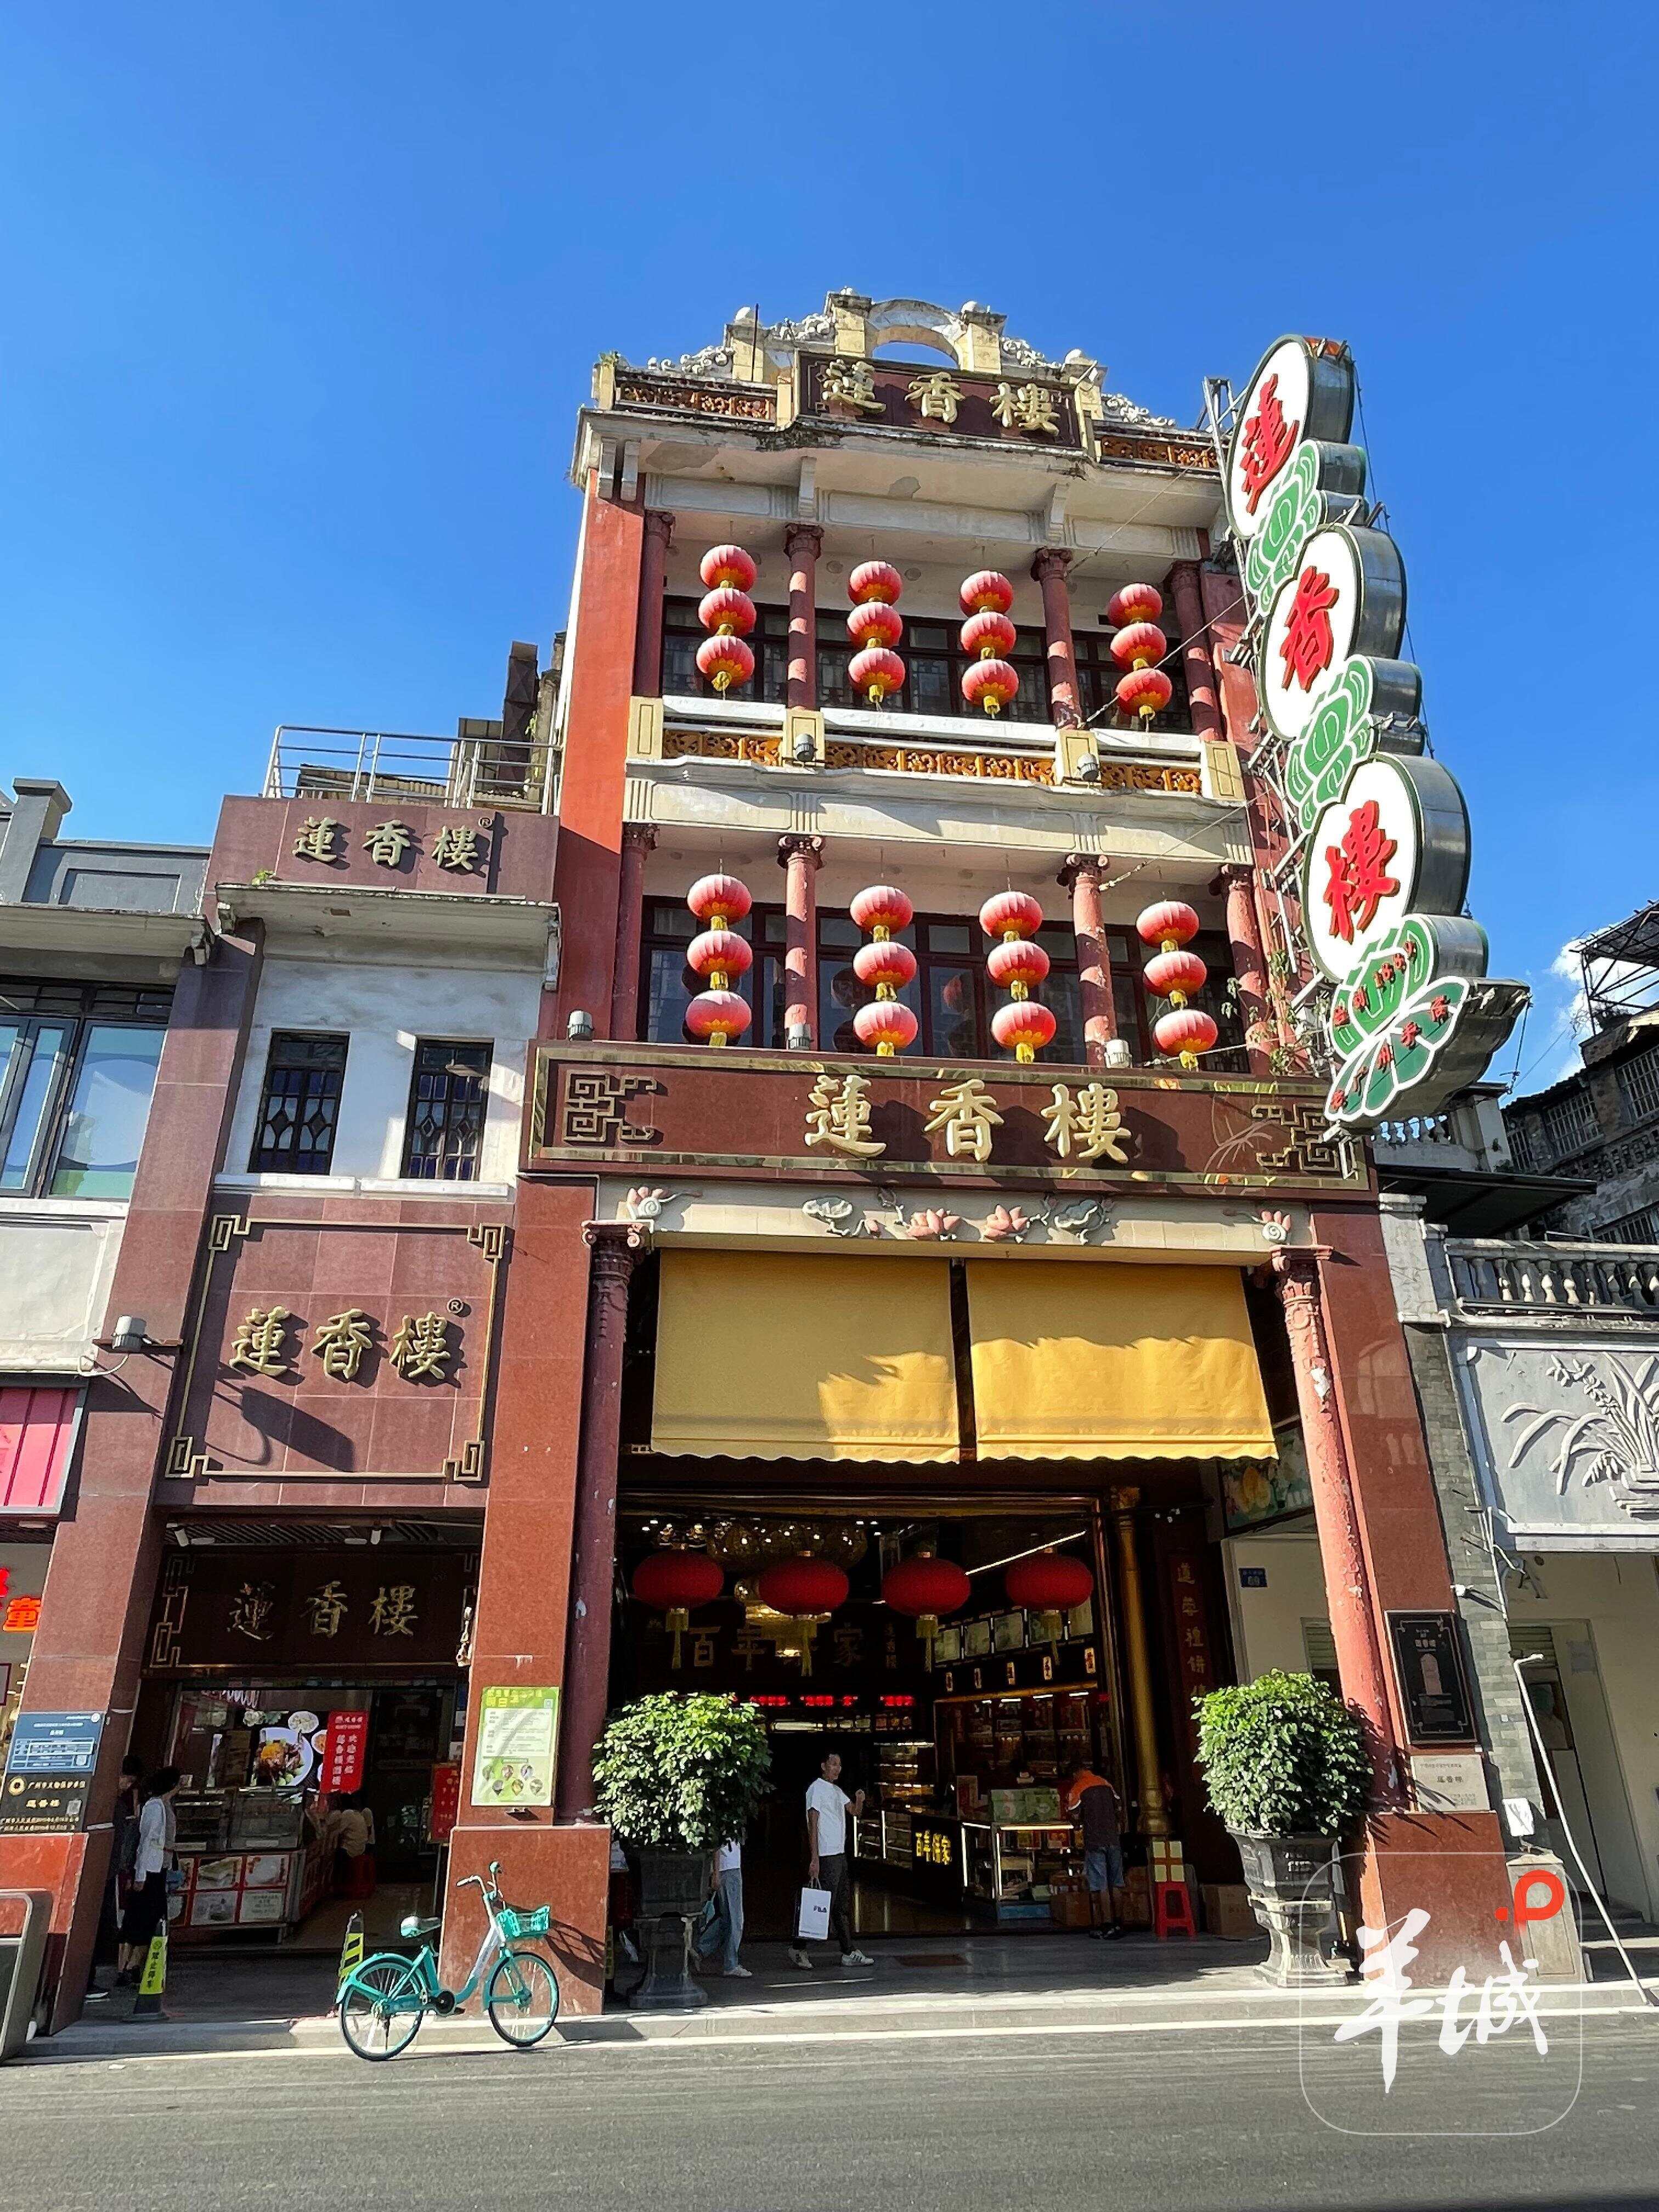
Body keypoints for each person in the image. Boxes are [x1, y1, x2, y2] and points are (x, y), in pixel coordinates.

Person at [789, 1751, 873, 1971]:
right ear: (823, 1766)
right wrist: (814, 1858)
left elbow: (854, 1812)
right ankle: (798, 1946)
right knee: (822, 1903)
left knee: (840, 1905)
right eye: (833, 1764)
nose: (837, 1769)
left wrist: (860, 1800)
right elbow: (813, 1822)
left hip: (839, 1854)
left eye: (840, 1765)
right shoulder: (816, 1789)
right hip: (826, 1855)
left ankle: (848, 1951)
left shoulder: (837, 1791)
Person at [117, 1767, 182, 1985]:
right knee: (145, 1919)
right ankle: (130, 1967)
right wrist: (141, 1874)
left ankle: (130, 1967)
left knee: (141, 1918)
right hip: (149, 1871)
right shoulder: (156, 1806)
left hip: (155, 1870)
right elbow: (147, 1842)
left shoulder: (162, 1805)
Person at [1064, 1763, 1125, 1939]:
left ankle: (1107, 1925)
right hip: (1113, 1840)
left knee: (1101, 1885)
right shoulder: (1106, 1784)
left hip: (1095, 1841)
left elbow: (1074, 1815)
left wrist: (1078, 1823)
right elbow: (1119, 1808)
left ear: (1076, 1773)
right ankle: (1119, 1924)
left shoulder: (1079, 1787)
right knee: (1117, 1883)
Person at [694, 1836, 750, 1979]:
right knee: (735, 1920)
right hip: (729, 1868)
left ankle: (701, 1949)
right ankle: (731, 1964)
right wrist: (716, 1873)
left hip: (729, 1867)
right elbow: (717, 1844)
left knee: (727, 1920)